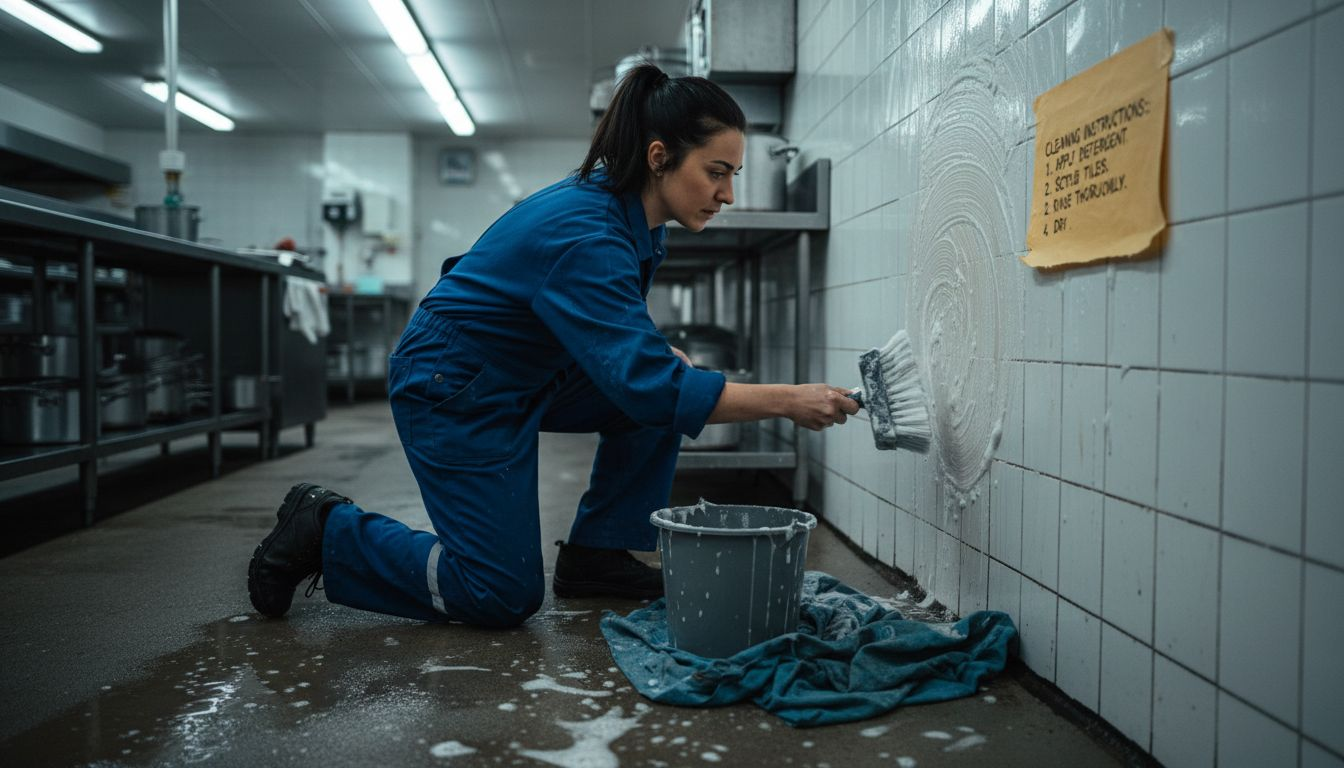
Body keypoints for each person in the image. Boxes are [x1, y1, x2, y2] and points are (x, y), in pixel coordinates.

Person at [246, 64, 859, 629]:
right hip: (452, 382)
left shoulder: (636, 222)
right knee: (497, 594)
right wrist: (788, 399)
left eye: (733, 176)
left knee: (659, 394)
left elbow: (620, 345)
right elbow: (646, 381)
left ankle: (597, 553)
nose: (727, 194)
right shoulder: (587, 233)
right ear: (659, 157)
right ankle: (327, 528)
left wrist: (653, 362)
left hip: (522, 371)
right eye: (716, 172)